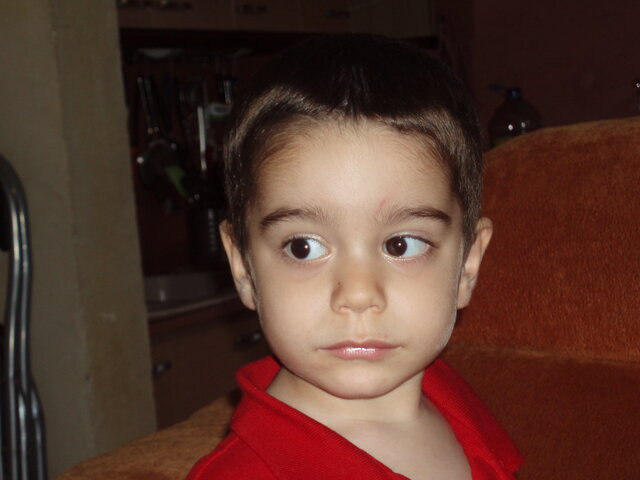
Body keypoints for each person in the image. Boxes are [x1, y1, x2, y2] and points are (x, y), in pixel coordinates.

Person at [186, 33, 523, 480]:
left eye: (401, 245)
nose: (359, 294)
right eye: (304, 247)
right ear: (243, 268)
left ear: (467, 266)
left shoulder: (456, 404)